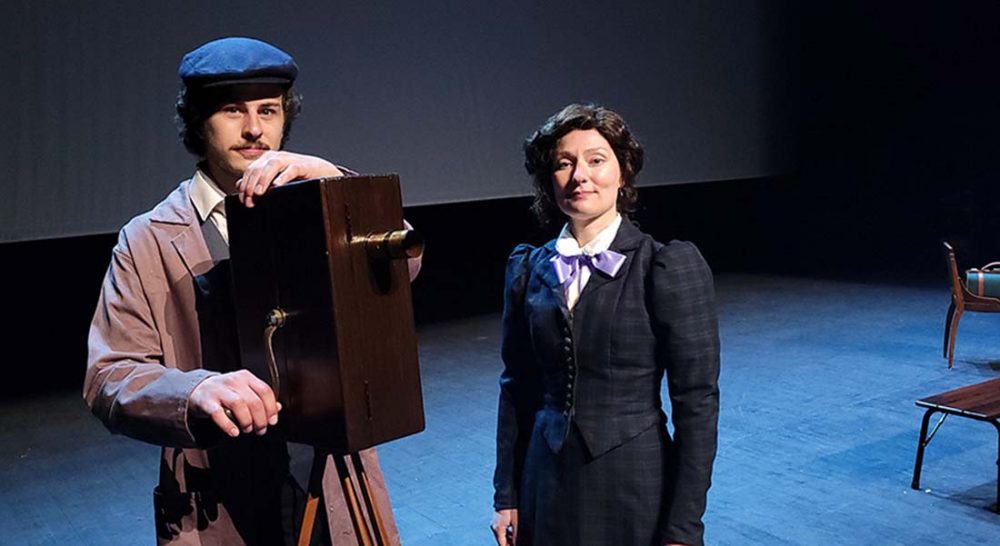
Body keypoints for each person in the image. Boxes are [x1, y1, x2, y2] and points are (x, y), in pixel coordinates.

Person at [84, 37, 418, 545]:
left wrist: (339, 188)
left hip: (328, 469)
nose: (255, 129)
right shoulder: (149, 237)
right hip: (220, 480)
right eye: (231, 110)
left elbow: (404, 267)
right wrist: (193, 390)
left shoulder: (316, 206)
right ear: (199, 122)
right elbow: (109, 377)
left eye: (269, 110)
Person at [491, 104, 720, 546]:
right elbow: (516, 386)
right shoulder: (527, 269)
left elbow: (698, 404)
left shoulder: (664, 266)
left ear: (623, 172)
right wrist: (507, 495)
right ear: (548, 179)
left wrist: (683, 527)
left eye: (596, 160)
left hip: (633, 487)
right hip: (544, 482)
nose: (580, 175)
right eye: (564, 163)